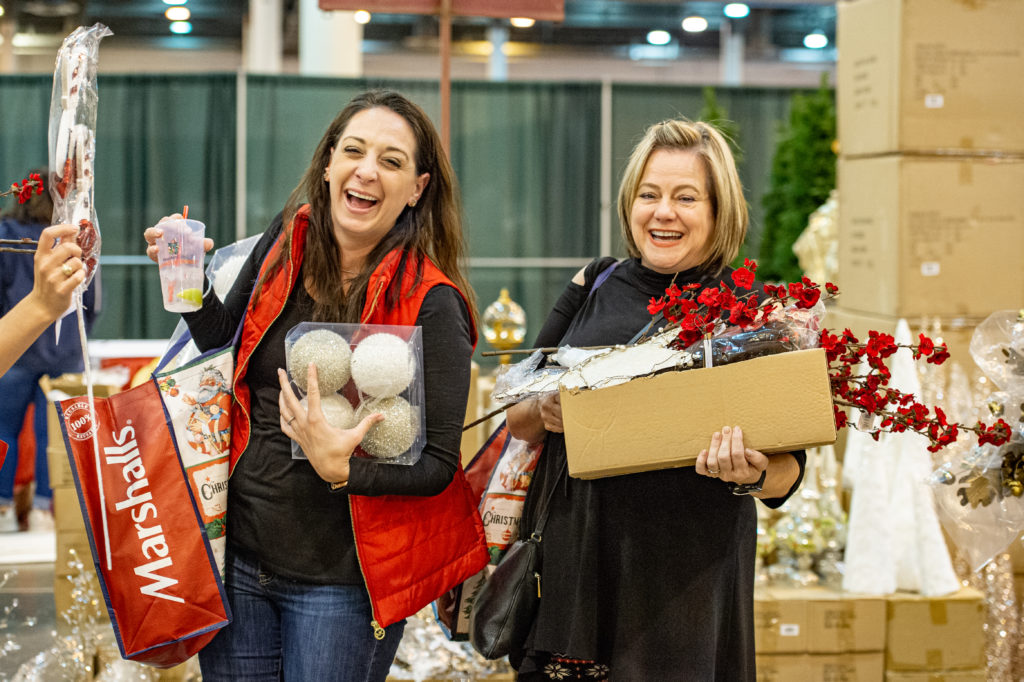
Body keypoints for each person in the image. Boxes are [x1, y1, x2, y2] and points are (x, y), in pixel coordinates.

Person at [143, 89, 487, 681]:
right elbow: (222, 339)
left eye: (391, 161)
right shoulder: (286, 241)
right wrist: (186, 277)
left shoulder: (433, 302)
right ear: (328, 164)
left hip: (343, 584)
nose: (367, 170)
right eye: (353, 150)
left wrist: (344, 470)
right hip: (238, 559)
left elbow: (436, 467)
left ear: (417, 188)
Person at [506, 119, 806, 681]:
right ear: (630, 204)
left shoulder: (751, 310)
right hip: (575, 570)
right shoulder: (595, 283)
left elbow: (789, 473)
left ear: (718, 211)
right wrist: (546, 409)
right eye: (649, 195)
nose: (663, 213)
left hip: (686, 587)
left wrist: (752, 472)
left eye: (685, 198)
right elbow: (517, 418)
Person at [0, 178, 95, 532]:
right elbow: (92, 297)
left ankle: (3, 508)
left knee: (3, 430)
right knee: (53, 436)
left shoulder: (8, 237)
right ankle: (43, 510)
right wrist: (75, 338)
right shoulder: (74, 241)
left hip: (15, 349)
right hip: (64, 353)